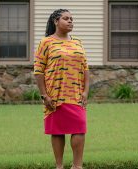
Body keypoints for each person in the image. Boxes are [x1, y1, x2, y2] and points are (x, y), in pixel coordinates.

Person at [33, 9, 89, 169]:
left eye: (72, 18)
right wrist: (44, 95)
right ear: (56, 21)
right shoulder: (46, 42)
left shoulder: (77, 42)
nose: (70, 21)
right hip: (55, 95)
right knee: (57, 130)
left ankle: (77, 166)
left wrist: (85, 91)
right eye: (66, 18)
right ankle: (59, 166)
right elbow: (38, 71)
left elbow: (86, 69)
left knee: (79, 127)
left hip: (76, 95)